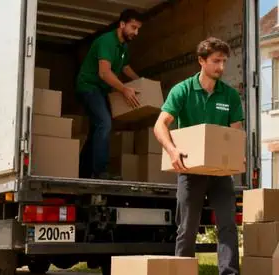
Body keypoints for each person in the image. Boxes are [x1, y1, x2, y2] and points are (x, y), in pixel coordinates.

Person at [153, 37, 242, 275]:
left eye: (224, 61)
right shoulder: (182, 90)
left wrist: (234, 156)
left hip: (220, 173)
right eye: (216, 61)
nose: (221, 67)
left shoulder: (230, 96)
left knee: (227, 225)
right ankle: (183, 271)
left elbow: (236, 132)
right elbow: (160, 125)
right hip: (190, 169)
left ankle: (229, 273)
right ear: (201, 61)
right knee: (187, 227)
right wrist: (172, 151)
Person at [75, 9, 146, 179]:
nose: (136, 32)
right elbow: (104, 73)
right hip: (88, 87)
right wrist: (124, 89)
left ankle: (83, 171)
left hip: (100, 90)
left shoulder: (123, 46)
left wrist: (142, 82)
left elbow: (125, 67)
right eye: (133, 27)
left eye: (138, 29)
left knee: (97, 128)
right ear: (122, 24)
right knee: (104, 123)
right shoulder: (106, 41)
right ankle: (101, 171)